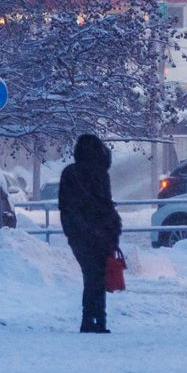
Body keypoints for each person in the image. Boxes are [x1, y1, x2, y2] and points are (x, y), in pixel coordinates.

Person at [58, 133, 123, 333]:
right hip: (101, 234)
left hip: (78, 234)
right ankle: (98, 320)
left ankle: (90, 320)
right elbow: (105, 205)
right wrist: (112, 231)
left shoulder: (69, 173)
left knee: (91, 275)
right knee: (98, 276)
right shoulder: (100, 173)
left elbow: (65, 206)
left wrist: (73, 230)